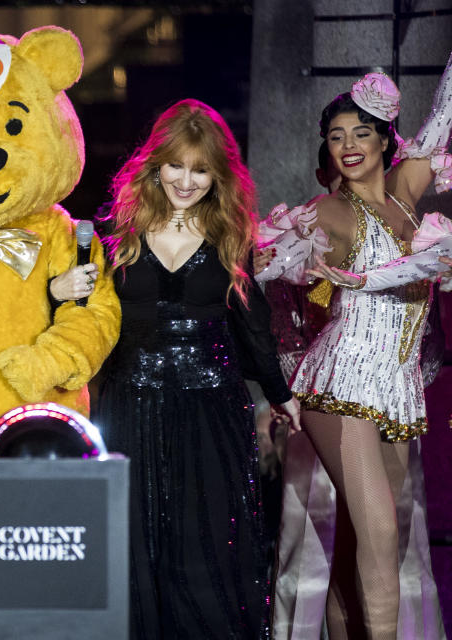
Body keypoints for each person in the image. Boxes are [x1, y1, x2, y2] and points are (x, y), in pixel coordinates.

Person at [59, 98, 299, 639]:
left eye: (200, 169)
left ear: (219, 175)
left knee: (207, 541)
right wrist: (60, 292)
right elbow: (82, 320)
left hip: (211, 412)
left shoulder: (232, 235)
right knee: (132, 542)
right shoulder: (111, 234)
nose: (186, 180)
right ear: (155, 164)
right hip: (128, 408)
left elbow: (252, 325)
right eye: (176, 165)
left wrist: (281, 393)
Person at [256, 60, 452, 639]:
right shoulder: (329, 212)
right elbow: (277, 265)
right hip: (338, 382)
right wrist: (282, 260)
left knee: (365, 538)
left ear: (386, 139)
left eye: (360, 133)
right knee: (382, 534)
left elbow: (443, 118)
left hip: (393, 388)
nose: (347, 146)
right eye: (336, 136)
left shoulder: (404, 198)